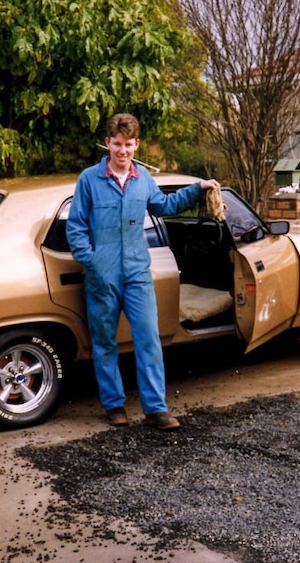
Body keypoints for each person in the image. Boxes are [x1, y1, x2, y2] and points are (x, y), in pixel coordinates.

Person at [66, 113, 218, 431]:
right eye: (117, 144)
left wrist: (197, 188)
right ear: (108, 143)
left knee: (148, 337)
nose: (123, 150)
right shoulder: (89, 180)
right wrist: (91, 262)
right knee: (105, 341)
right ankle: (114, 406)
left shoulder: (143, 178)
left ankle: (155, 409)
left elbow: (163, 205)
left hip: (137, 273)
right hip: (101, 276)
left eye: (129, 144)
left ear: (137, 145)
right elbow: (76, 227)